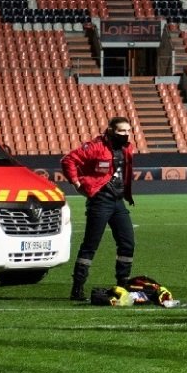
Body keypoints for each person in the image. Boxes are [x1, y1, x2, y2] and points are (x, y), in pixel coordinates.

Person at [62, 116, 137, 301]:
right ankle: (77, 288)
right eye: (122, 131)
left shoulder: (127, 148)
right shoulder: (95, 147)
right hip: (100, 200)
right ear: (111, 130)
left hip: (118, 201)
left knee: (127, 243)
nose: (126, 134)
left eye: (128, 131)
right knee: (90, 245)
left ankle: (122, 285)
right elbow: (68, 160)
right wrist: (77, 183)